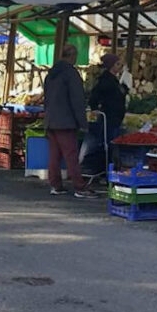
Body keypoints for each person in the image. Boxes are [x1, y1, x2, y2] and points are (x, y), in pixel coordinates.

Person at [43, 43, 96, 198]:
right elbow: (77, 100)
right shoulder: (71, 74)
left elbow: (46, 97)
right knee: (71, 155)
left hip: (51, 119)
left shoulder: (51, 74)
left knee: (54, 155)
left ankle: (55, 185)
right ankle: (80, 187)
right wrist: (82, 122)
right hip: (65, 121)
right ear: (72, 56)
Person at [82, 53, 128, 176]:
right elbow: (95, 97)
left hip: (115, 118)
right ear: (111, 66)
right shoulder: (106, 80)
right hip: (109, 118)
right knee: (108, 145)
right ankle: (106, 171)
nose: (120, 67)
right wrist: (96, 109)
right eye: (118, 64)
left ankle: (108, 171)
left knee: (110, 144)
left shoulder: (113, 80)